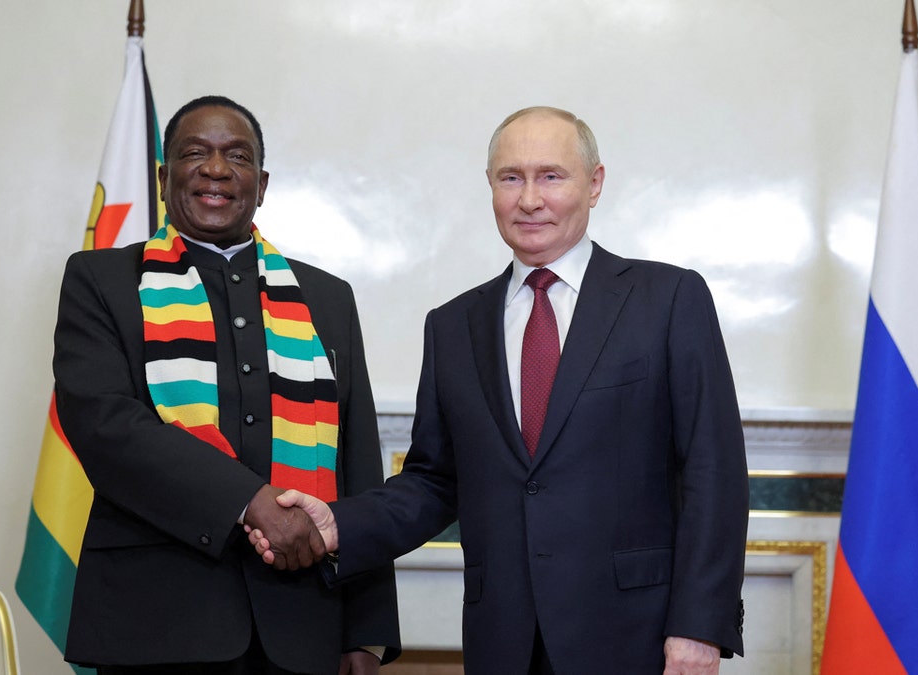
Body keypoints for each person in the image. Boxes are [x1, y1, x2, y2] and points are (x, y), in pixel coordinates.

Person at [253, 106, 749, 675]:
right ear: (490, 187)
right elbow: (433, 481)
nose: (529, 199)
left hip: (638, 638)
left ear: (595, 185)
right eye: (510, 178)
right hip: (504, 642)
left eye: (551, 176)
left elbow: (714, 472)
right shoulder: (453, 325)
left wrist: (698, 628)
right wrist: (337, 524)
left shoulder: (668, 299)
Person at [52, 95, 400, 674]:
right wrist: (249, 501)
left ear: (261, 185)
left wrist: (365, 632)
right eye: (195, 154)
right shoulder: (101, 281)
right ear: (165, 178)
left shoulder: (327, 298)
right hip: (156, 622)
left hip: (303, 624)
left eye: (236, 157)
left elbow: (357, 464)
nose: (216, 169)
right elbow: (105, 425)